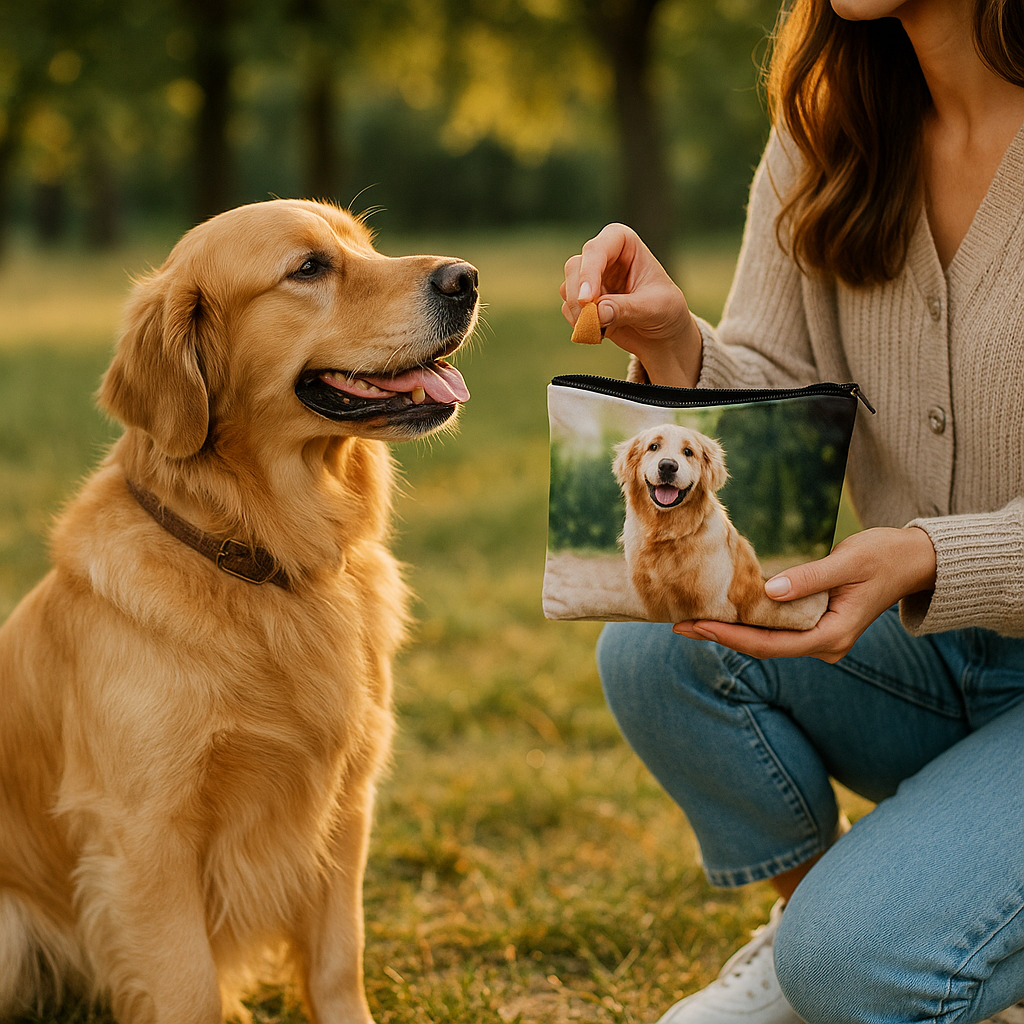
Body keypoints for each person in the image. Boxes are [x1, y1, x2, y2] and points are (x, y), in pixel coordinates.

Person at [560, 0, 1024, 1022]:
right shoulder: (829, 124)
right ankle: (818, 924)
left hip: (937, 608)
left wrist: (925, 554)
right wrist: (681, 342)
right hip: (929, 649)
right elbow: (781, 396)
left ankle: (908, 939)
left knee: (864, 965)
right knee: (662, 642)